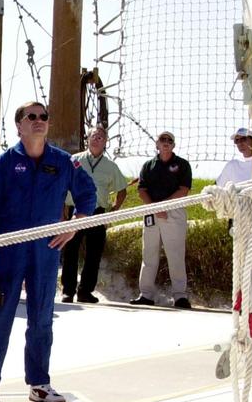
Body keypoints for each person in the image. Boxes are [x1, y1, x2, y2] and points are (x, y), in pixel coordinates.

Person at [0, 101, 96, 402]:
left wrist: (74, 227)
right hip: (8, 251)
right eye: (31, 116)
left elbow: (87, 196)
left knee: (41, 318)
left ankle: (39, 383)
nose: (39, 121)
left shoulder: (64, 162)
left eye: (43, 117)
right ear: (19, 126)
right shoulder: (4, 164)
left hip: (45, 252)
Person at [60, 125, 129, 303]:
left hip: (98, 212)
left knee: (94, 254)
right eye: (94, 136)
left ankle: (85, 291)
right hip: (75, 211)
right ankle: (68, 291)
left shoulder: (110, 166)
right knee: (71, 251)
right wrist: (61, 212)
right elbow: (61, 187)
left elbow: (122, 190)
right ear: (87, 139)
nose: (96, 139)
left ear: (105, 142)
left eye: (100, 137)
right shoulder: (74, 160)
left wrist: (113, 211)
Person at [130, 130, 193, 309]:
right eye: (162, 139)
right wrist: (155, 208)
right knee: (148, 253)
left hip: (173, 212)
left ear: (174, 145)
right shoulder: (149, 165)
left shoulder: (182, 165)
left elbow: (184, 189)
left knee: (175, 254)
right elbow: (142, 190)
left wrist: (163, 206)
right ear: (156, 144)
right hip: (152, 211)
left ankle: (180, 295)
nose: (166, 142)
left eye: (169, 140)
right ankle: (146, 294)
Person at [216, 127, 252, 235]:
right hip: (239, 215)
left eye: (243, 139)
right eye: (237, 141)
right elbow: (217, 188)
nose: (240, 143)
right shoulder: (232, 165)